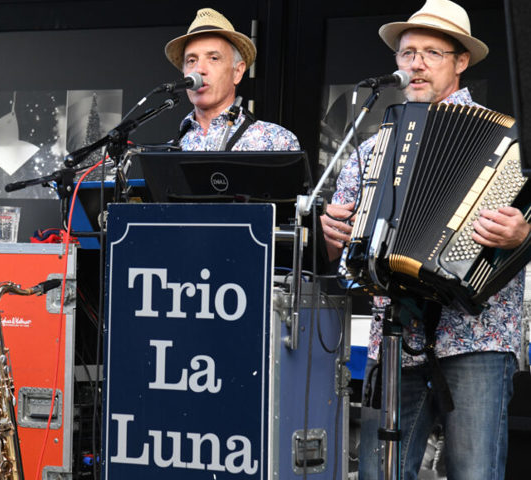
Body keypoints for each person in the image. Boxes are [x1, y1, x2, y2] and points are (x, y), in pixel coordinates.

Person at [320, 1, 528, 479]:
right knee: (379, 471)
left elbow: (526, 222)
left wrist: (523, 232)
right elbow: (341, 245)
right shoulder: (372, 146)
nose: (414, 63)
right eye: (406, 52)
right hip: (391, 337)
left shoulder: (507, 141)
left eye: (431, 52)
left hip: (477, 336)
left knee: (473, 471)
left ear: (461, 61)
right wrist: (332, 235)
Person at [164, 8, 300, 151]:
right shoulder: (171, 149)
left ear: (237, 72)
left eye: (213, 58)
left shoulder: (276, 141)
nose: (199, 69)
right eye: (191, 60)